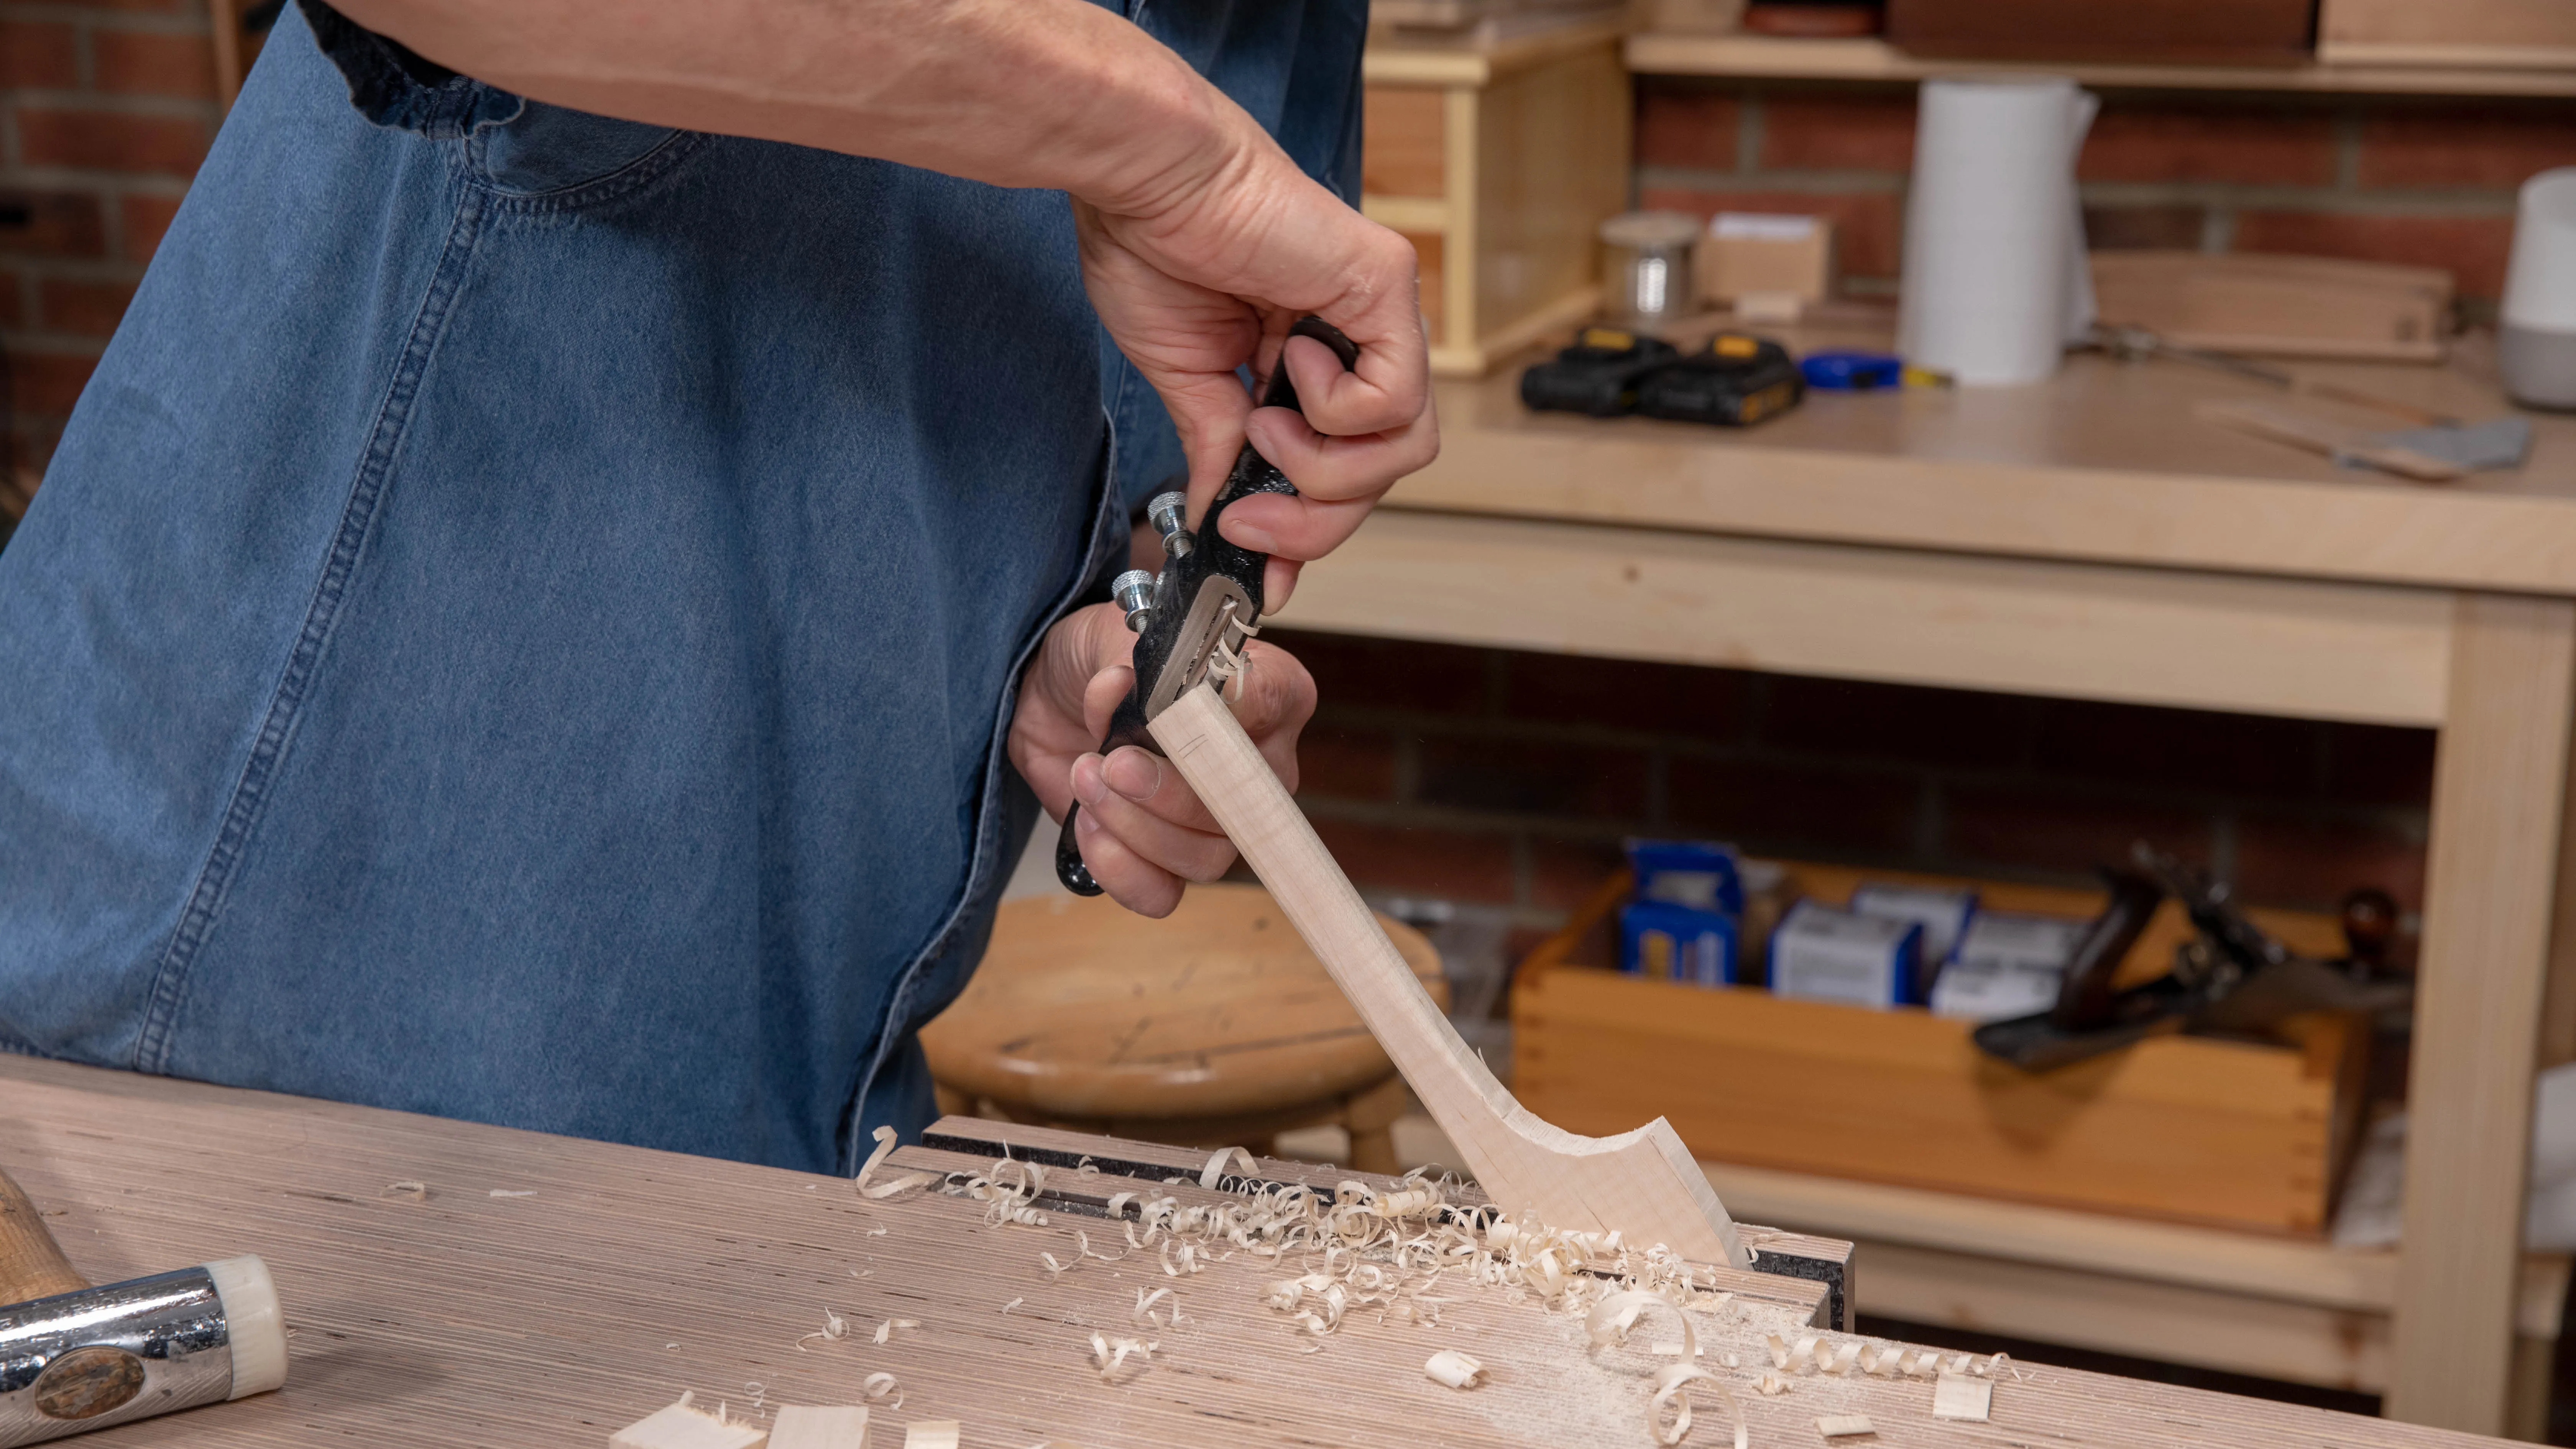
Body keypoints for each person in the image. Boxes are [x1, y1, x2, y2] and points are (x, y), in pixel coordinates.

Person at [0, 0, 1434, 1175]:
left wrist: (1091, 659)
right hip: (237, 1045)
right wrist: (1159, 146)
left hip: (773, 1097)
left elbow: (1091, 455)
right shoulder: (1183, 117)